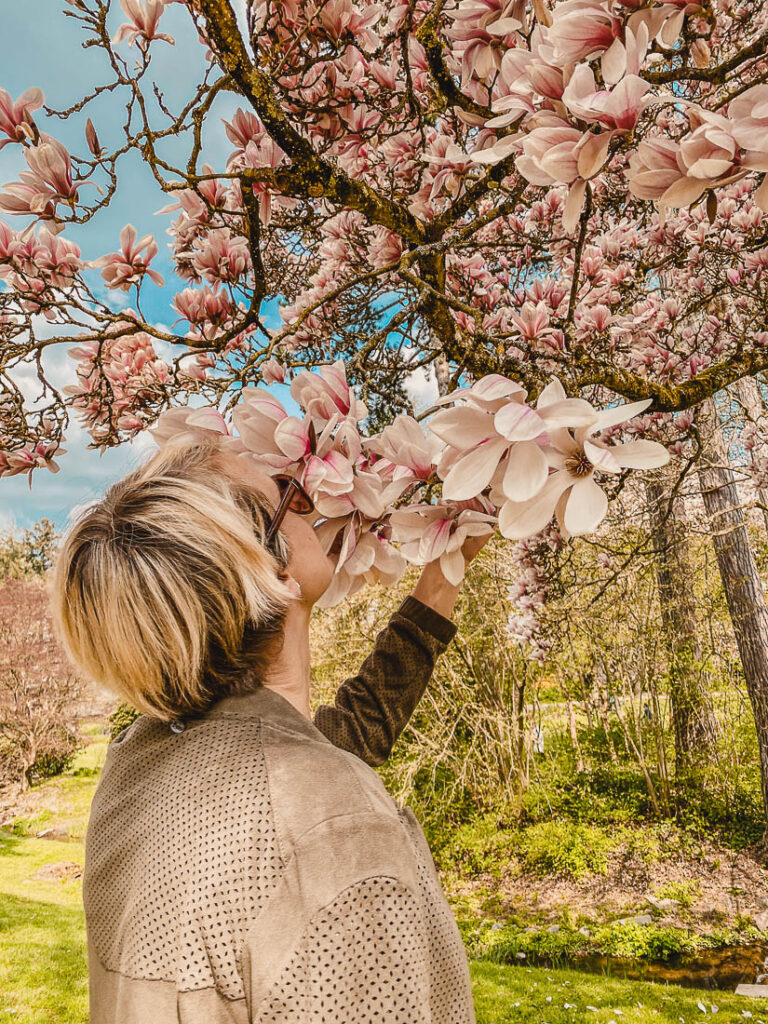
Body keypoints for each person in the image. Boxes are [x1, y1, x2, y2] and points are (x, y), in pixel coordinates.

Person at [50, 436, 489, 1024]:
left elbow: (329, 744)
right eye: (288, 494)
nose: (312, 503)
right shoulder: (330, 823)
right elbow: (317, 814)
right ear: (275, 572)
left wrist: (444, 571)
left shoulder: (138, 765)